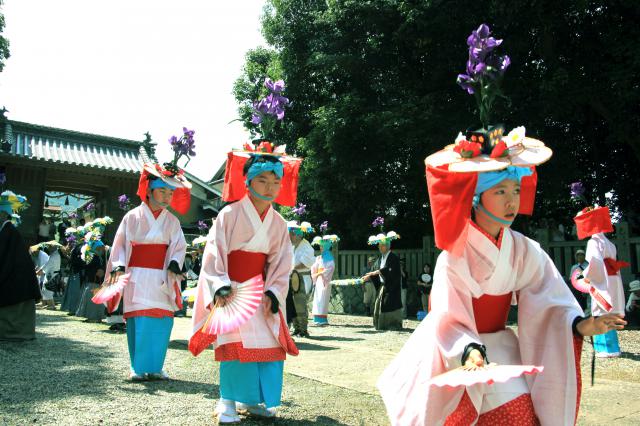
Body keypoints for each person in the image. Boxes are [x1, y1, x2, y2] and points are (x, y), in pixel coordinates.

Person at [378, 123, 626, 424]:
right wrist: (468, 350)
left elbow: (550, 300)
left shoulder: (524, 249)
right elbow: (447, 316)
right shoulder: (454, 256)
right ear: (476, 197)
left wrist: (581, 325)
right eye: (501, 191)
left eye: (516, 190)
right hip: (459, 351)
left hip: (502, 348)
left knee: (521, 414)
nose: (512, 201)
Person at [189, 141, 300, 423]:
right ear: (248, 181)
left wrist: (274, 291)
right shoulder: (229, 214)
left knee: (266, 346)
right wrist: (220, 285)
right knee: (234, 345)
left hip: (261, 292)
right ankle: (226, 401)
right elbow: (214, 251)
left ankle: (252, 400)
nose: (270, 187)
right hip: (233, 289)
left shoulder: (277, 222)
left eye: (276, 181)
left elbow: (281, 261)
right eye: (262, 180)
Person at [95, 145, 191, 381]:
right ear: (149, 190)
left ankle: (156, 366)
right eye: (163, 192)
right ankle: (138, 367)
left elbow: (179, 246)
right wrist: (118, 266)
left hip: (161, 276)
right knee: (139, 320)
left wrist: (176, 263)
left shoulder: (172, 222)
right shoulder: (132, 217)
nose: (167, 197)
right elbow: (120, 245)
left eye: (171, 194)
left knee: (161, 322)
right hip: (136, 274)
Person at [574, 205, 628, 358]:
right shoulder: (609, 243)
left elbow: (595, 263)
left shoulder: (593, 243)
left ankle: (605, 349)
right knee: (609, 311)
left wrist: (587, 277)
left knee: (601, 311)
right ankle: (614, 347)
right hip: (613, 279)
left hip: (602, 278)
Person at [0, 191, 41, 341]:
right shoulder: (7, 231)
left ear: (4, 215)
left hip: (16, 276)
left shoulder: (8, 232)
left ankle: (14, 333)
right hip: (17, 274)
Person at [363, 232, 402, 331]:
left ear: (388, 246)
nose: (380, 248)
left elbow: (390, 270)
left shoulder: (393, 257)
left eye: (382, 245)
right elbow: (374, 270)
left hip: (392, 287)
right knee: (379, 305)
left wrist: (378, 272)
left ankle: (393, 324)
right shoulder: (380, 259)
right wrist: (369, 276)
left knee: (389, 304)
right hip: (382, 286)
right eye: (379, 246)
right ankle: (381, 325)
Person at [288, 221, 315, 336]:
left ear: (297, 234)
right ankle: (296, 328)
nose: (289, 236)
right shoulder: (292, 246)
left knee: (300, 304)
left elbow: (306, 263)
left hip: (302, 277)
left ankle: (303, 329)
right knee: (292, 304)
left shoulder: (306, 245)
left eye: (291, 234)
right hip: (292, 276)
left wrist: (291, 268)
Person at [310, 233, 339, 326]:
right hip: (319, 278)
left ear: (326, 246)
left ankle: (322, 319)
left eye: (322, 246)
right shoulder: (320, 257)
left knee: (322, 298)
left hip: (323, 279)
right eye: (320, 246)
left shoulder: (328, 256)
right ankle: (317, 318)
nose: (321, 248)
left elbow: (330, 268)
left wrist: (320, 273)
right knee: (318, 298)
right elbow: (315, 266)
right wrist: (316, 264)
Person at [39, 241, 62, 310]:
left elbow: (47, 265)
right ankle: (49, 304)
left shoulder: (55, 255)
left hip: (52, 274)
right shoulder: (54, 254)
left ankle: (52, 305)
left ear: (53, 246)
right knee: (45, 289)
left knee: (48, 290)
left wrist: (40, 271)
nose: (48, 248)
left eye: (49, 246)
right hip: (51, 273)